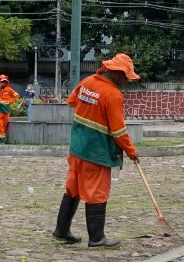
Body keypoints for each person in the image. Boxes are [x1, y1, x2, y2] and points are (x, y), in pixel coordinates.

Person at [53, 53, 140, 249]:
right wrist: (132, 151)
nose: (126, 81)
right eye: (126, 76)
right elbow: (118, 130)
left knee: (73, 189)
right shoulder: (113, 94)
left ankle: (61, 230)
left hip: (77, 148)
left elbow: (71, 101)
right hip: (96, 151)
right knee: (96, 192)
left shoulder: (88, 81)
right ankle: (97, 238)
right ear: (116, 73)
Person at [0, 75, 20, 144]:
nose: (3, 83)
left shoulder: (9, 89)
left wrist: (9, 102)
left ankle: (4, 139)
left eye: (4, 82)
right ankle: (2, 141)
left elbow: (17, 96)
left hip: (6, 110)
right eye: (2, 81)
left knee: (4, 126)